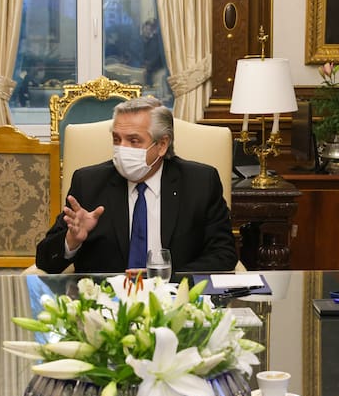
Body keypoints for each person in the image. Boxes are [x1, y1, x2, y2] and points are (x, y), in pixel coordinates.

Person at [35, 97, 238, 274]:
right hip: (106, 300)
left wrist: (164, 278)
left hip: (175, 297)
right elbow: (45, 262)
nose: (122, 149)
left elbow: (224, 254)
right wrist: (72, 241)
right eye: (117, 139)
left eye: (134, 141)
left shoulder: (200, 182)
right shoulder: (88, 183)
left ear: (162, 145)